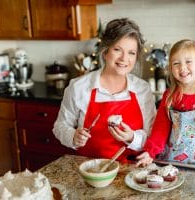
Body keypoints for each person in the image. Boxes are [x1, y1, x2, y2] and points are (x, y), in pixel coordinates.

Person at [53, 18, 156, 163]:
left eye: (131, 53)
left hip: (131, 172)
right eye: (117, 49)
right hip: (90, 171)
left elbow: (153, 136)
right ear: (105, 51)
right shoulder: (79, 87)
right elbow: (60, 126)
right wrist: (72, 136)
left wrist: (132, 137)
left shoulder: (142, 89)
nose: (124, 58)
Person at [136, 39, 195, 175]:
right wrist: (150, 152)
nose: (182, 68)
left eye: (188, 61)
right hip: (173, 159)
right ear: (170, 68)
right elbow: (160, 128)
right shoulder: (169, 95)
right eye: (176, 63)